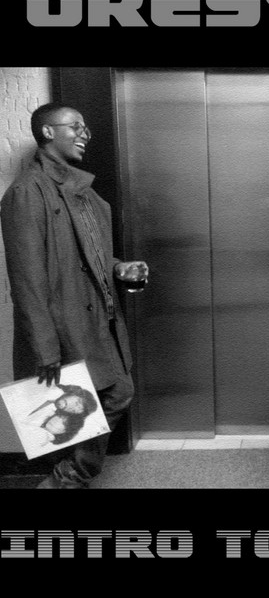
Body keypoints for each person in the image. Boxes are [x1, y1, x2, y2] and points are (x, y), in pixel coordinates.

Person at [0, 102, 149, 488]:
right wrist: (45, 347)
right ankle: (67, 479)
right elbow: (26, 277)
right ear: (48, 132)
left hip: (97, 317)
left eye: (85, 128)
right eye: (75, 127)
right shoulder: (27, 191)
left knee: (116, 392)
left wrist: (118, 268)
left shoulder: (79, 190)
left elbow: (88, 254)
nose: (85, 134)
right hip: (64, 322)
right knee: (98, 399)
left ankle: (66, 478)